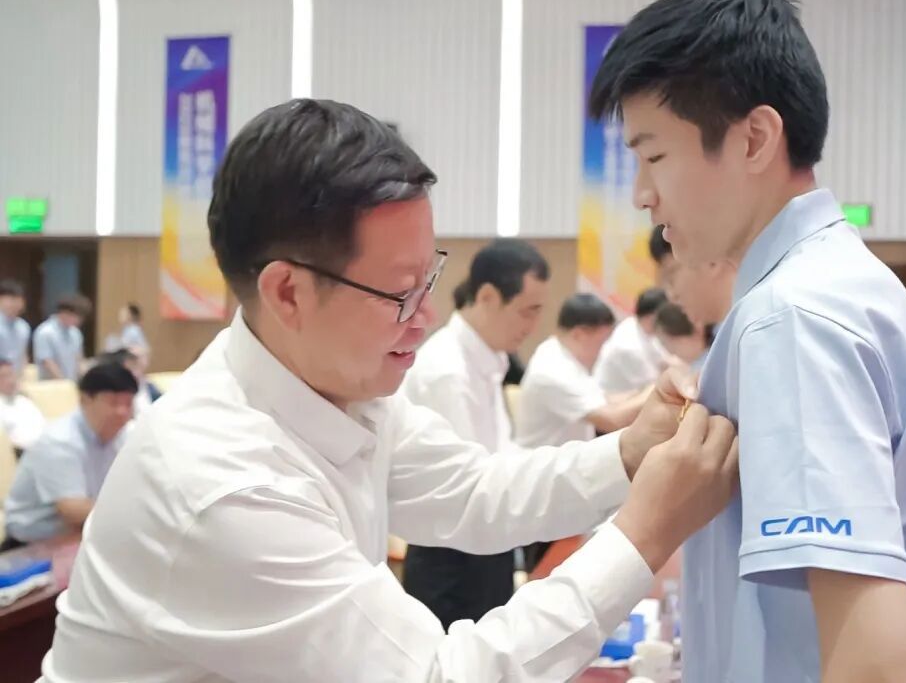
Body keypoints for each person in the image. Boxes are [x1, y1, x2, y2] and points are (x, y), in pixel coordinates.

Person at [39, 99, 739, 682]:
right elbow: (437, 675)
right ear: (288, 292)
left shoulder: (336, 383)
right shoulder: (224, 485)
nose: (425, 316)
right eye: (400, 293)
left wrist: (630, 452)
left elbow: (472, 491)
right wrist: (645, 531)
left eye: (427, 279)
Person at [591, 0, 906, 683]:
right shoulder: (835, 280)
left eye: (654, 157)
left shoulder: (792, 317)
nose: (641, 194)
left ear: (754, 139)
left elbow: (877, 667)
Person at [401, 238, 550, 630]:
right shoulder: (447, 370)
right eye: (527, 311)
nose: (533, 326)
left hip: (486, 540)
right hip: (452, 558)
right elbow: (472, 485)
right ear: (487, 297)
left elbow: (501, 452)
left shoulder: (489, 359)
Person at [1, 362, 136, 552]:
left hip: (84, 532)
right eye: (113, 403)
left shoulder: (123, 435)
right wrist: (135, 512)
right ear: (84, 400)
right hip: (31, 543)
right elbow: (73, 510)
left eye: (128, 404)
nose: (122, 412)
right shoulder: (60, 441)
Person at [516, 293, 651, 449]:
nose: (603, 350)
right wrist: (653, 392)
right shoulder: (552, 370)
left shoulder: (561, 352)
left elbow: (601, 398)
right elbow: (612, 421)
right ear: (579, 334)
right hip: (543, 462)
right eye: (601, 342)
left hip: (565, 457)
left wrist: (640, 393)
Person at [649, 224, 736, 329]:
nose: (672, 296)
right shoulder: (731, 328)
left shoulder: (749, 326)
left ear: (712, 260)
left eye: (671, 278)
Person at [593, 286, 670, 395]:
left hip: (632, 394)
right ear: (653, 317)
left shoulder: (640, 327)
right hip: (612, 399)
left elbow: (664, 361)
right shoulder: (630, 346)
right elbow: (653, 385)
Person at [33, 294, 90, 381]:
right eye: (77, 316)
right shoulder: (45, 332)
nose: (79, 321)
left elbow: (79, 359)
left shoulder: (75, 333)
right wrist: (64, 382)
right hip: (50, 384)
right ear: (64, 313)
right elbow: (47, 362)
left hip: (71, 382)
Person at [0, 358, 46, 455]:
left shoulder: (24, 400)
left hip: (47, 447)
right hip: (23, 454)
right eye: (4, 376)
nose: (11, 380)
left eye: (11, 374)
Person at [100, 348, 162, 416]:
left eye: (135, 367)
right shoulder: (108, 392)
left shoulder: (149, 388)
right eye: (129, 370)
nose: (134, 373)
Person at [652, 303, 709, 368]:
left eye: (666, 343)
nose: (671, 352)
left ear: (698, 329)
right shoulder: (699, 364)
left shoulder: (708, 366)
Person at [0, 279, 31, 376]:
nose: (15, 304)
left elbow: (23, 355)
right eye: (11, 299)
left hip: (15, 378)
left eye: (19, 300)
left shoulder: (24, 327)